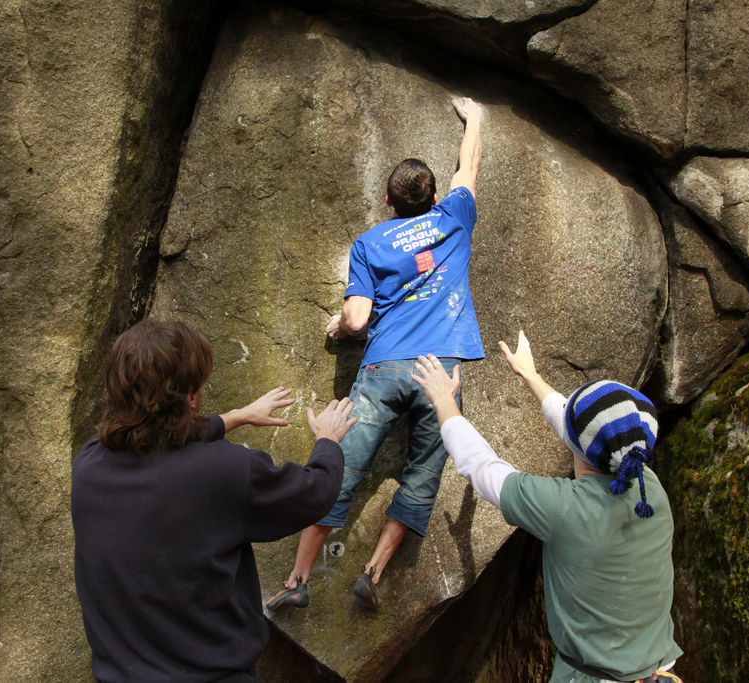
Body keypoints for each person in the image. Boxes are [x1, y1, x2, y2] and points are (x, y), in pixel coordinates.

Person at [267, 96, 484, 612]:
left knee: (338, 466)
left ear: (388, 201)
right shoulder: (456, 215)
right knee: (423, 475)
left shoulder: (370, 243)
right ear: (435, 194)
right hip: (442, 373)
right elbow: (469, 166)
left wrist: (340, 328)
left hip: (386, 366)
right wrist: (475, 118)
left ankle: (298, 581)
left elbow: (358, 318)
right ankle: (373, 573)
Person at [71, 319, 357, 682]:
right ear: (190, 395)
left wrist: (234, 418)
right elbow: (314, 491)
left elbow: (156, 438)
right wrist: (328, 442)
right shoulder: (224, 471)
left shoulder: (89, 466)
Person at [411, 330, 684, 683]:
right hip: (659, 670)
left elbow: (480, 469)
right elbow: (581, 430)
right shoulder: (649, 486)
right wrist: (530, 374)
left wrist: (444, 401)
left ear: (576, 443)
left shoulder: (563, 508)